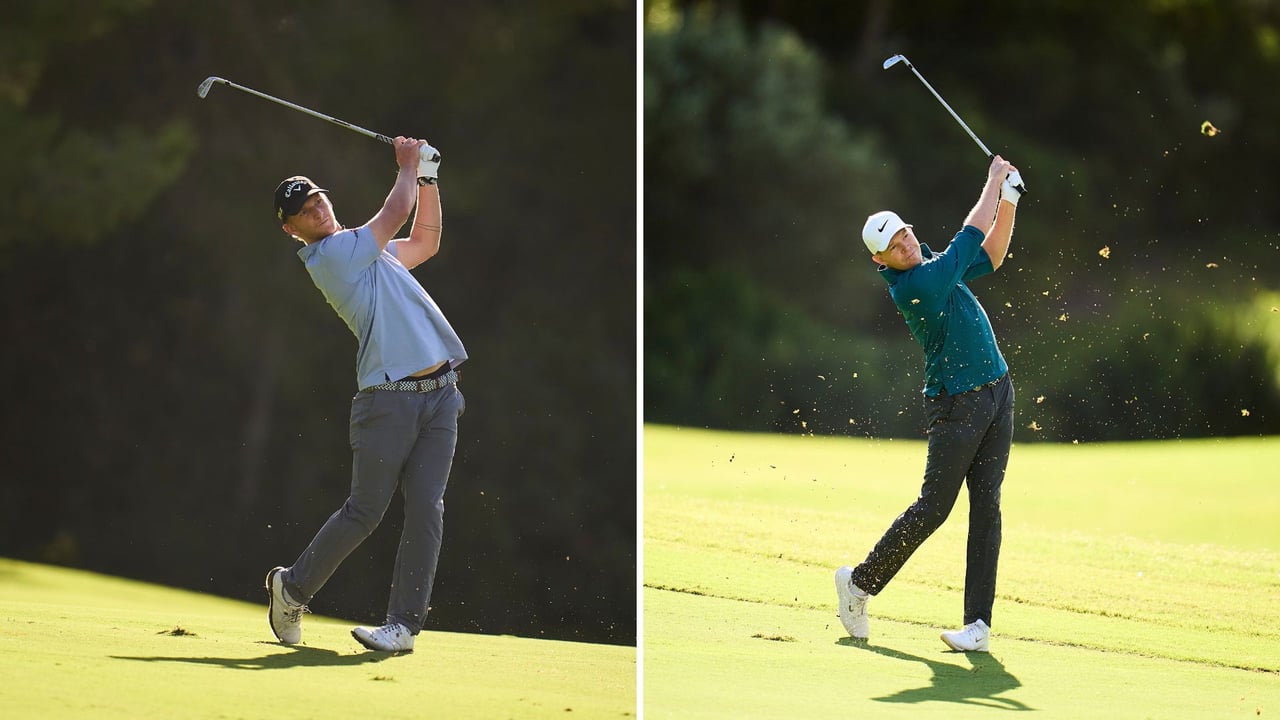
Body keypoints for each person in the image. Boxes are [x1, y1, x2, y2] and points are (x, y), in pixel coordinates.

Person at [264, 136, 467, 653]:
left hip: (441, 394)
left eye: (316, 197)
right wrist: (407, 166)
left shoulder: (367, 250)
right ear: (292, 230)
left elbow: (425, 242)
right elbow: (396, 214)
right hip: (388, 399)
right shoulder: (330, 256)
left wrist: (428, 180)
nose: (315, 208)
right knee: (366, 511)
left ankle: (403, 627)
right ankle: (292, 589)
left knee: (427, 509)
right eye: (303, 210)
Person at [835, 156, 1023, 652]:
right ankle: (858, 585)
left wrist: (1010, 199)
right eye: (894, 247)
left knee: (987, 506)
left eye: (905, 235)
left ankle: (977, 625)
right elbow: (972, 233)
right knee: (934, 509)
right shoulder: (914, 285)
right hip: (956, 404)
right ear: (881, 262)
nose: (906, 245)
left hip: (998, 390)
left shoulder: (932, 263)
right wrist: (993, 182)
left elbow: (992, 254)